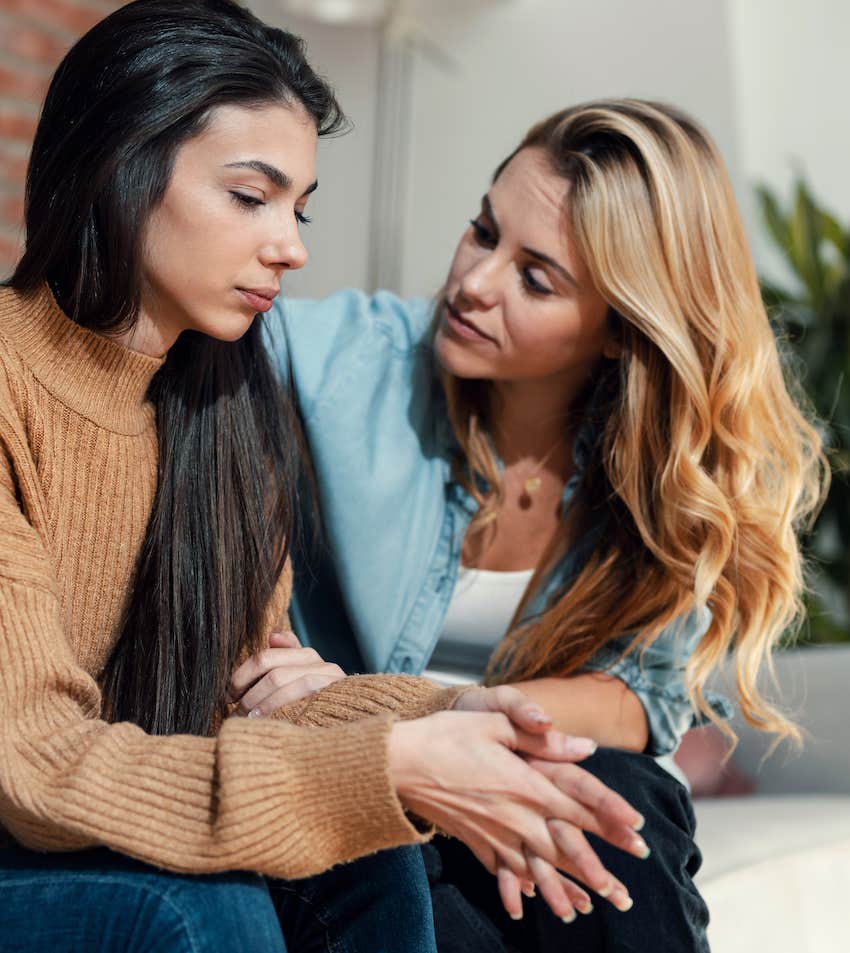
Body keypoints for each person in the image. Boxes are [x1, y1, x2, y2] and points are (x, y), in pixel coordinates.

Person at [0, 5, 649, 951]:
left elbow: (259, 686)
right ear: (121, 165)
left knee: (369, 854)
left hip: (101, 827)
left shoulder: (230, 410)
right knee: (198, 907)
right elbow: (32, 762)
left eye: (298, 209)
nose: (290, 247)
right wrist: (387, 762)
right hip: (28, 825)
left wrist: (456, 714)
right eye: (250, 197)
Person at [263, 99, 827, 951]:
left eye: (537, 277)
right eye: (482, 231)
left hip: (522, 788)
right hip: (356, 791)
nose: (474, 282)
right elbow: (200, 338)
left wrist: (452, 720)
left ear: (620, 327)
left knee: (620, 801)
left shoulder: (656, 472)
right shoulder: (351, 365)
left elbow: (641, 699)